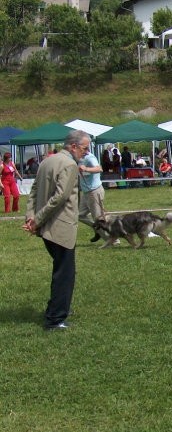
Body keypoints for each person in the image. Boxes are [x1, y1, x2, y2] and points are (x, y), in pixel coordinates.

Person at [23, 130, 89, 331]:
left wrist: (31, 216)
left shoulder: (47, 161)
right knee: (64, 274)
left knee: (60, 270)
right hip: (60, 227)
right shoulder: (69, 165)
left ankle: (56, 309)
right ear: (73, 146)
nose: (86, 153)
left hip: (47, 227)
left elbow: (33, 191)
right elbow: (60, 198)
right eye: (84, 148)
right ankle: (55, 319)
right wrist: (37, 219)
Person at [77, 146, 109, 244]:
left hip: (94, 191)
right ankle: (98, 229)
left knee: (99, 218)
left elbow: (99, 169)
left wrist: (86, 168)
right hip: (86, 192)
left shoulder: (90, 158)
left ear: (85, 149)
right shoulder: (80, 158)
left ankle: (113, 240)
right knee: (80, 215)